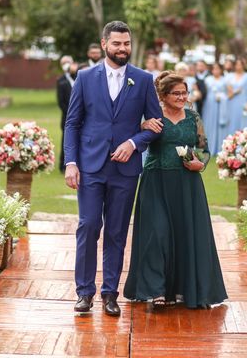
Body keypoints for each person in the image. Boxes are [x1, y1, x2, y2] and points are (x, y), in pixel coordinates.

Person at [64, 20, 163, 316]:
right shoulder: (84, 77)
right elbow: (72, 123)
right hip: (91, 166)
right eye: (117, 43)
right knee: (88, 225)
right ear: (104, 44)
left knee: (117, 232)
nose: (123, 49)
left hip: (125, 170)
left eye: (127, 43)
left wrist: (134, 142)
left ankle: (110, 294)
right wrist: (71, 162)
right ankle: (84, 293)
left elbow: (155, 126)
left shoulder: (143, 79)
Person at [124, 72, 227, 308]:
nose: (182, 97)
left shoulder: (193, 117)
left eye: (185, 93)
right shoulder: (153, 117)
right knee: (157, 234)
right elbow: (134, 136)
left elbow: (204, 148)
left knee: (186, 235)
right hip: (156, 181)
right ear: (163, 95)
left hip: (187, 185)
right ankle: (156, 290)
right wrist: (141, 125)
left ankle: (183, 289)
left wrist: (200, 163)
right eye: (176, 93)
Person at [56, 56, 78, 172]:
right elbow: (61, 102)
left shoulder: (79, 76)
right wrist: (71, 114)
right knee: (66, 141)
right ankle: (63, 165)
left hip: (81, 117)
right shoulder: (61, 80)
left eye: (68, 62)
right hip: (67, 117)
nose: (67, 65)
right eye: (64, 63)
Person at [202, 63, 228, 153]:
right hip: (209, 104)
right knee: (209, 123)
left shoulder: (225, 80)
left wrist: (222, 96)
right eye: (214, 69)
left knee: (220, 125)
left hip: (221, 106)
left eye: (218, 69)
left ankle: (220, 147)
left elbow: (229, 93)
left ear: (221, 70)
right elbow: (204, 92)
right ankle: (209, 146)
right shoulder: (207, 80)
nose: (216, 71)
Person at [226, 59, 247, 136]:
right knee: (231, 122)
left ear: (243, 65)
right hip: (231, 103)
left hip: (242, 103)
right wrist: (235, 92)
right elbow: (228, 91)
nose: (238, 66)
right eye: (237, 64)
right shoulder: (229, 76)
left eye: (240, 64)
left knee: (243, 123)